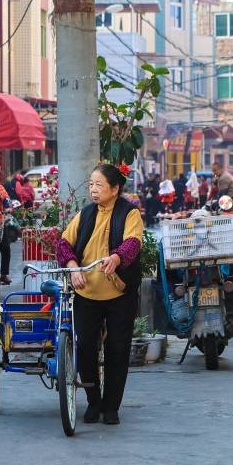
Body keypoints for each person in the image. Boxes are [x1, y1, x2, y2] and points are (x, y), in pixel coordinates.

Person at [55, 164, 144, 426]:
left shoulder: (130, 213)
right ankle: (93, 401)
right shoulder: (85, 214)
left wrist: (117, 258)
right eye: (91, 184)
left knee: (117, 348)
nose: (93, 189)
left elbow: (133, 242)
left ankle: (112, 406)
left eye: (99, 185)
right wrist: (73, 268)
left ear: (115, 189)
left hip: (119, 291)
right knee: (84, 348)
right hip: (87, 292)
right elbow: (63, 243)